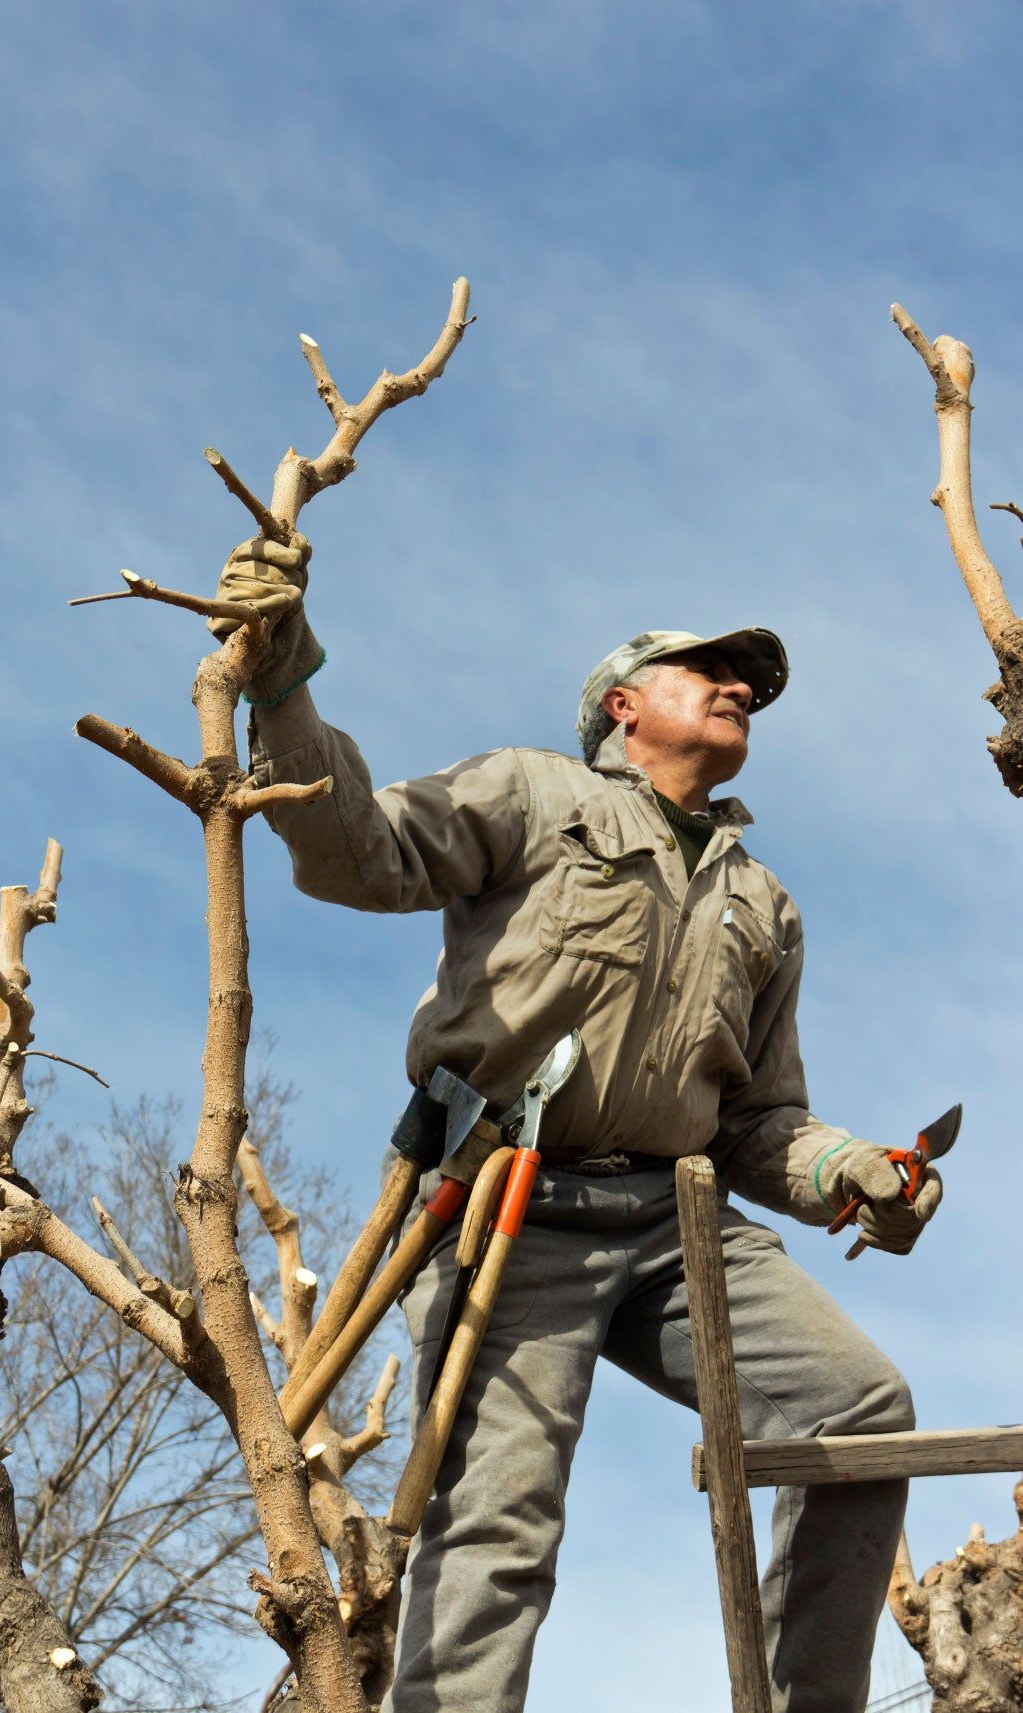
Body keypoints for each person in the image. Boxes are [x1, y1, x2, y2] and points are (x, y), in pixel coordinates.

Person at [212, 533, 942, 1713]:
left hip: (673, 1220)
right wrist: (284, 679)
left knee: (859, 1410)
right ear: (620, 704)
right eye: (704, 668)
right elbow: (361, 853)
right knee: (498, 1522)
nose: (737, 685)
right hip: (504, 1206)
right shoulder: (530, 792)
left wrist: (852, 1171)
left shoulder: (761, 902)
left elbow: (759, 1120)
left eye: (746, 682)